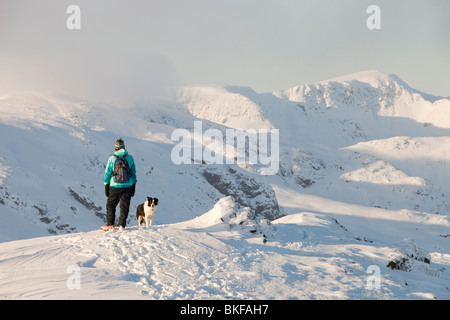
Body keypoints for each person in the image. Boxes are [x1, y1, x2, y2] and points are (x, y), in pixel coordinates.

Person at [102, 138, 137, 230]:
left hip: (115, 186)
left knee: (111, 205)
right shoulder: (130, 158)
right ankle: (122, 225)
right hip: (128, 185)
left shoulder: (112, 158)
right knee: (124, 206)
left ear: (116, 148)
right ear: (124, 147)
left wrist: (106, 185)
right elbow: (133, 173)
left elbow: (108, 173)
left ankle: (110, 225)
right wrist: (134, 185)